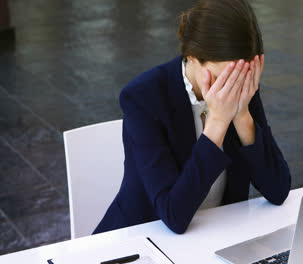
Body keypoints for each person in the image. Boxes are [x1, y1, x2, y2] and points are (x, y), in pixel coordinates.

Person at [94, 0, 291, 235]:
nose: (233, 88)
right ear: (192, 56)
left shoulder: (242, 87)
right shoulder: (143, 98)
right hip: (142, 240)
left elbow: (278, 189)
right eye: (223, 78)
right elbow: (174, 216)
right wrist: (217, 122)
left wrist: (241, 114)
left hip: (212, 238)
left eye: (242, 77)